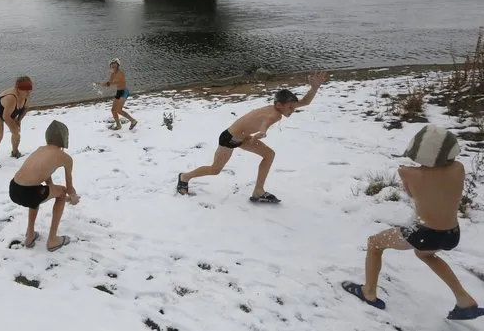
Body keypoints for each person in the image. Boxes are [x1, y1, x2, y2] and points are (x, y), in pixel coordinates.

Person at [342, 124, 484, 321]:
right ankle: (464, 299)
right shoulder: (458, 168)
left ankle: (368, 292)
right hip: (452, 233)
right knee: (426, 255)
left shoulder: (408, 173)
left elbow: (412, 194)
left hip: (423, 233)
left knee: (374, 243)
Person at [176, 71, 328, 202]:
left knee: (269, 155)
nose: (293, 110)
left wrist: (314, 88)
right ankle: (184, 177)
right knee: (215, 170)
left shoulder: (279, 108)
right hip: (229, 138)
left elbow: (305, 102)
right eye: (290, 107)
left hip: (243, 138)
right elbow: (266, 122)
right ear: (279, 105)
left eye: (294, 107)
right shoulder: (274, 114)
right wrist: (262, 132)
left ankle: (258, 191)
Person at [8, 120, 80, 252]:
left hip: (14, 188)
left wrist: (51, 189)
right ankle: (53, 240)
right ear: (65, 139)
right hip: (30, 192)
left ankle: (29, 236)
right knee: (62, 192)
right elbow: (69, 189)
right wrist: (73, 197)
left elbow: (44, 173)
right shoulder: (65, 157)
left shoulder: (40, 149)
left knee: (37, 193)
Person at [0, 76, 33, 169]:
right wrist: (14, 126)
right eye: (25, 90)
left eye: (29, 89)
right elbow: (5, 116)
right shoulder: (11, 97)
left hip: (10, 111)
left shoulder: (26, 95)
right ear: (17, 88)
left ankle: (15, 152)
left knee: (16, 133)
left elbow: (25, 108)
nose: (28, 92)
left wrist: (18, 121)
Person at [95, 58, 138, 131]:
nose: (113, 66)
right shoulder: (112, 74)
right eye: (112, 65)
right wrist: (100, 84)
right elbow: (109, 84)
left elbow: (118, 82)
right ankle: (118, 126)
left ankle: (133, 121)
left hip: (124, 92)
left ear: (118, 65)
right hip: (118, 92)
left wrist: (109, 83)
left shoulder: (121, 73)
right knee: (113, 110)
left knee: (118, 110)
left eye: (114, 65)